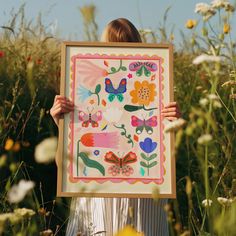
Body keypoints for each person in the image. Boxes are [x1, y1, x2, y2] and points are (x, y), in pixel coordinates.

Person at [50, 18, 181, 236]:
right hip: (98, 198)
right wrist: (63, 127)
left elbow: (167, 161)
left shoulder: (154, 85)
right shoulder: (84, 88)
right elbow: (63, 167)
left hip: (142, 199)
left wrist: (172, 126)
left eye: (128, 45)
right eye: (113, 46)